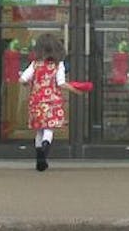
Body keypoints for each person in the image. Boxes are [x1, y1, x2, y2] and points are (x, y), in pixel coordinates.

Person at [18, 32, 82, 172]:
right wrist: (75, 90)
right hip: (52, 102)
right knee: (49, 129)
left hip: (36, 101)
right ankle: (45, 150)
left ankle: (39, 154)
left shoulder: (34, 65)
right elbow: (61, 83)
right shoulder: (58, 66)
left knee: (39, 130)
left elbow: (22, 79)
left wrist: (29, 85)